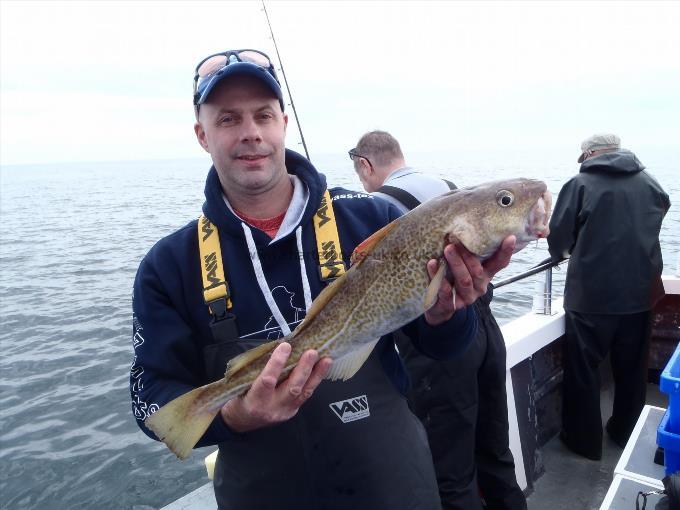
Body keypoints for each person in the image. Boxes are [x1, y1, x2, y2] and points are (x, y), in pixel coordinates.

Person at [129, 49, 517, 510]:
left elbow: (441, 347)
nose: (251, 133)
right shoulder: (168, 265)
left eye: (263, 115)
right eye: (228, 119)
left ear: (283, 123)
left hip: (390, 486)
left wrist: (448, 314)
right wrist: (233, 416)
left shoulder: (373, 217)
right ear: (202, 134)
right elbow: (151, 396)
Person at [350, 130, 527, 510]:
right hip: (485, 325)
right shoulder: (447, 188)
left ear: (365, 165)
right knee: (494, 444)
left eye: (360, 174)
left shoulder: (380, 206)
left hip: (442, 335)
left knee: (451, 467)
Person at [548, 133, 670, 461]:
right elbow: (661, 210)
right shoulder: (650, 182)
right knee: (632, 370)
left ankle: (584, 441)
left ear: (590, 153)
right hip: (639, 294)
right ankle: (625, 432)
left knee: (584, 370)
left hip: (590, 298)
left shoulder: (580, 185)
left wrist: (565, 250)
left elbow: (558, 239)